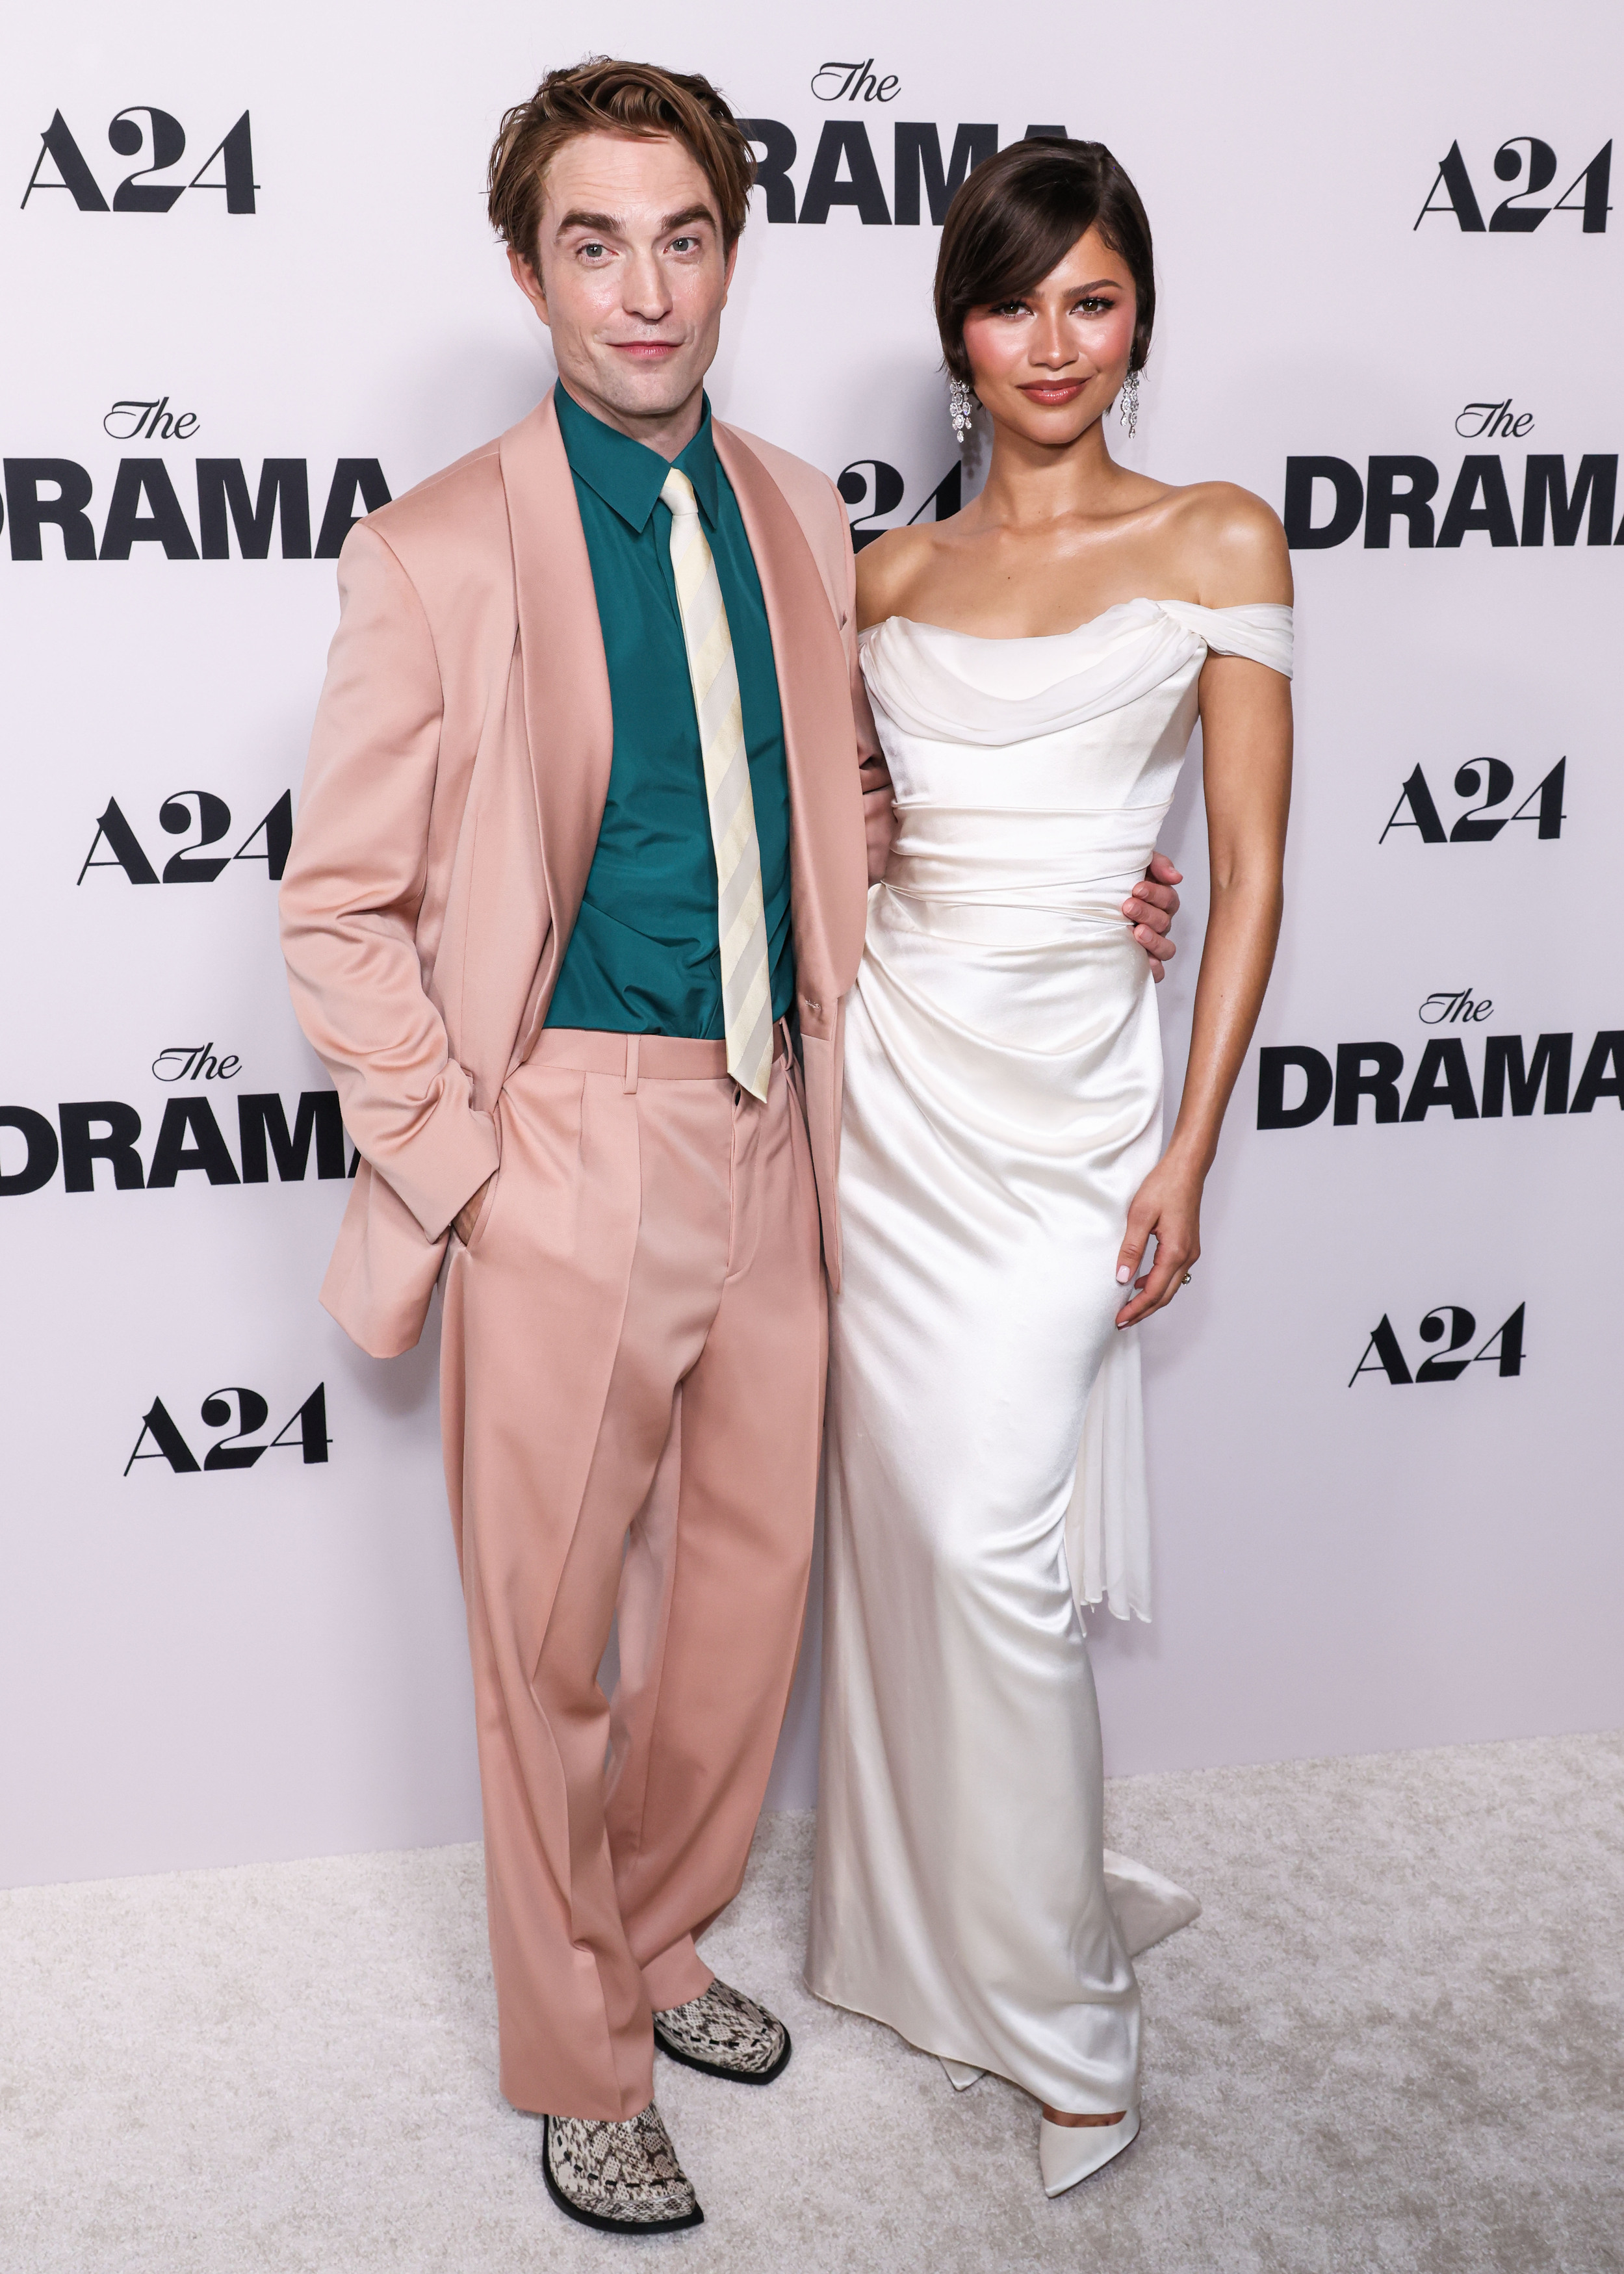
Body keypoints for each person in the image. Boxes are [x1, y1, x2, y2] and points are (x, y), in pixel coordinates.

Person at [280, 63, 1181, 2236]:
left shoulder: (794, 512)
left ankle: (663, 1939)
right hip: (565, 1128)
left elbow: (840, 818)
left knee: (739, 1609)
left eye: (680, 234)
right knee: (547, 1633)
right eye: (593, 242)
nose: (644, 284)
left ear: (731, 251)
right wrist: (471, 1168)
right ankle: (574, 2043)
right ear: (526, 270)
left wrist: (1070, 899)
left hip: (789, 1116)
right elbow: (335, 908)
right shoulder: (433, 547)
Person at [806, 137, 1293, 2201]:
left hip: (1082, 1103)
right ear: (959, 332)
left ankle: (1065, 2010)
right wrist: (917, 858)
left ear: (1138, 320)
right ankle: (925, 1930)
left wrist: (1188, 1140)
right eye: (1016, 303)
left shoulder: (1218, 535)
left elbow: (1254, 864)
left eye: (1091, 300)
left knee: (994, 1539)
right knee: (914, 1527)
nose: (1052, 343)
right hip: (898, 1089)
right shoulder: (881, 579)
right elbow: (852, 836)